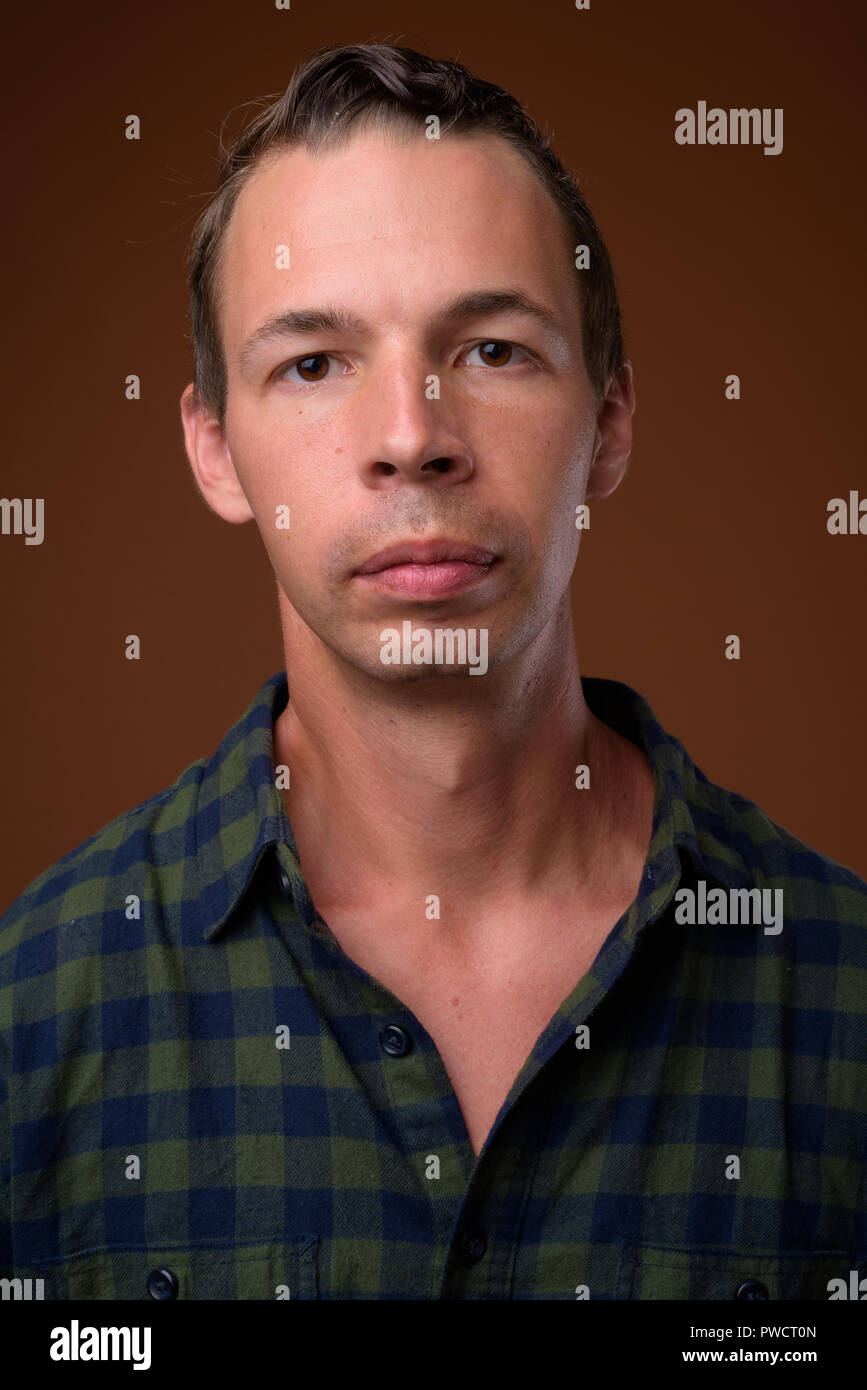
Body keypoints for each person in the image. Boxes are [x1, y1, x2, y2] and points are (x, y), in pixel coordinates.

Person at [1, 42, 864, 1302]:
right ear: (216, 451)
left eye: (494, 349)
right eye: (313, 363)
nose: (411, 437)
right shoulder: (33, 1015)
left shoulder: (838, 992)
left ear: (609, 419)